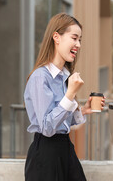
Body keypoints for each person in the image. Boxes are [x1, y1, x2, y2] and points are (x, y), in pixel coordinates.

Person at [24, 13, 105, 181]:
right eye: (74, 38)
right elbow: (47, 127)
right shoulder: (40, 77)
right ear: (56, 37)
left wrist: (82, 111)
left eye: (80, 40)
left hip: (64, 148)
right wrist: (70, 95)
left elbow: (61, 121)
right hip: (45, 154)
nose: (78, 45)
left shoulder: (64, 76)